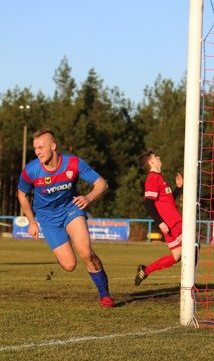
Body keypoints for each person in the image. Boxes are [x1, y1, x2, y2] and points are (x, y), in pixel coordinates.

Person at [17, 128, 114, 308]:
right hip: (47, 219)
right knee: (69, 265)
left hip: (71, 210)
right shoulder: (31, 171)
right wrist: (31, 222)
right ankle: (62, 247)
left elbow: (102, 184)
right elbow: (22, 194)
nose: (37, 152)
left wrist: (88, 197)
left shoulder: (73, 163)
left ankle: (105, 296)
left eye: (41, 147)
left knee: (86, 252)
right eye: (35, 148)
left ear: (53, 146)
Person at [134, 150, 183, 286]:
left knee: (177, 255)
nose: (159, 157)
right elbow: (148, 202)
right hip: (173, 223)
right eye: (155, 156)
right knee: (194, 247)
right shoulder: (153, 178)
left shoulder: (160, 178)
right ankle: (191, 284)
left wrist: (178, 189)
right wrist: (160, 222)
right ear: (151, 162)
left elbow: (168, 202)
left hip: (172, 222)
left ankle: (146, 270)